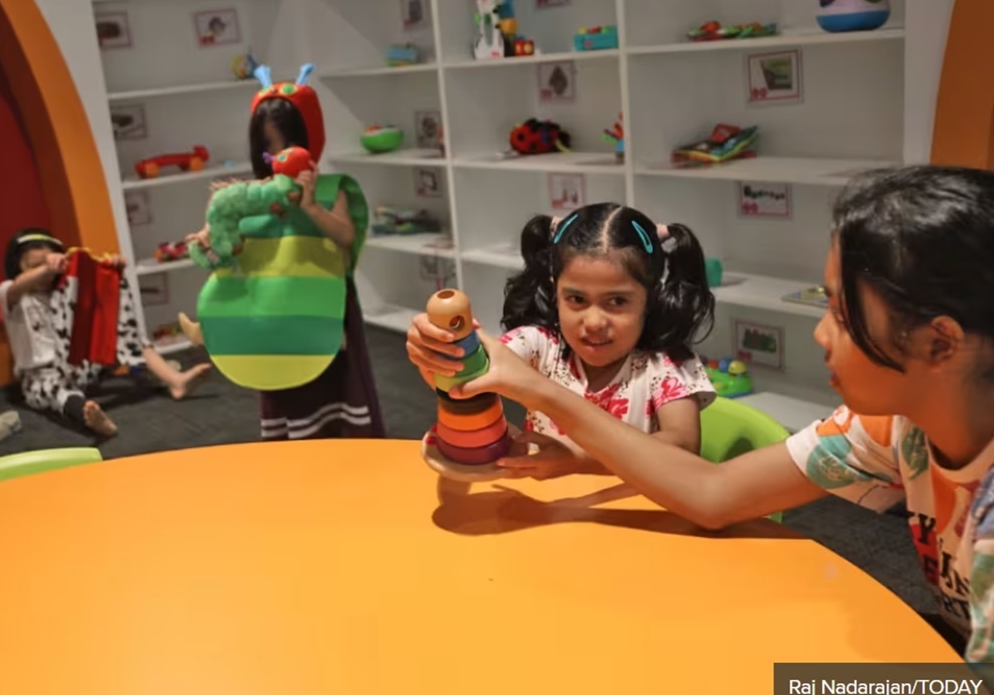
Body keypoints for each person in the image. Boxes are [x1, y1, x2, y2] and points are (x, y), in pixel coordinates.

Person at [429, 166, 994, 661]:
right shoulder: (887, 427)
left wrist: (827, 686)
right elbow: (714, 495)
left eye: (843, 316)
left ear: (939, 345)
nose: (821, 333)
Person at [406, 202, 717, 479]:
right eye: (577, 298)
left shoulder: (666, 365)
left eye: (617, 302)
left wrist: (580, 460)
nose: (594, 322)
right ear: (556, 292)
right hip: (549, 517)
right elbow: (467, 378)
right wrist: (439, 350)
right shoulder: (541, 346)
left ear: (651, 297)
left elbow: (683, 450)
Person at [185, 64, 385, 440]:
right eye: (268, 148)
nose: (277, 157)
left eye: (285, 145)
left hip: (321, 312)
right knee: (282, 391)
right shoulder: (248, 196)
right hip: (271, 317)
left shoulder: (331, 189)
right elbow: (228, 242)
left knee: (333, 394)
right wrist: (210, 235)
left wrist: (311, 207)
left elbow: (345, 235)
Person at [0, 228, 210, 437]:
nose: (45, 270)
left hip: (78, 366)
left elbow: (101, 304)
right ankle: (89, 417)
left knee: (127, 337)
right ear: (17, 267)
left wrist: (112, 269)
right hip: (43, 376)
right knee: (56, 392)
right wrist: (48, 267)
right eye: (34, 266)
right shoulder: (11, 294)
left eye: (50, 261)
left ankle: (175, 381)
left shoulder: (65, 289)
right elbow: (17, 286)